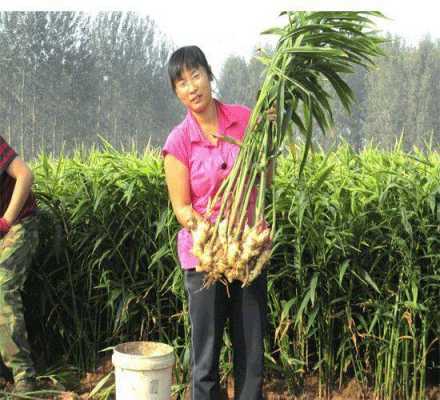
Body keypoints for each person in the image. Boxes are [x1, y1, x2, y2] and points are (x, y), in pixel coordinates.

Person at [163, 45, 269, 400]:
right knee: (205, 358)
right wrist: (211, 235)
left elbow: (266, 175)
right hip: (204, 256)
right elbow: (181, 207)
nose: (192, 87)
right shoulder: (178, 141)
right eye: (181, 82)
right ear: (176, 92)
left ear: (209, 75)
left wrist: (268, 138)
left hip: (247, 252)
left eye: (196, 75)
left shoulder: (245, 119)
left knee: (251, 355)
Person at [0, 136, 39, 393]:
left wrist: (5, 223)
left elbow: (25, 174)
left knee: (1, 287)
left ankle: (23, 375)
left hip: (17, 223)